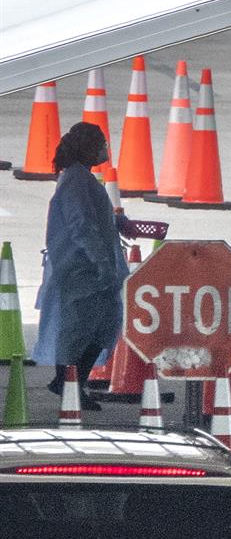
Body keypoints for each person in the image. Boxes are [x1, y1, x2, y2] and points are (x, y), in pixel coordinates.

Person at [37, 122, 129, 407]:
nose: (104, 149)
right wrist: (101, 262)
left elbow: (90, 219)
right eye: (101, 143)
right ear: (87, 147)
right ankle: (69, 385)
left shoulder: (82, 179)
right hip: (82, 269)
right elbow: (81, 225)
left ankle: (72, 384)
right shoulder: (76, 181)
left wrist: (117, 223)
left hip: (89, 267)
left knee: (100, 325)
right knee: (79, 328)